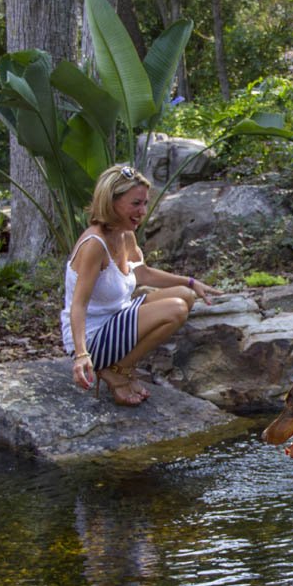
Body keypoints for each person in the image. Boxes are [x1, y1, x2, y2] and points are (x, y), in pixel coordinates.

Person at [61, 165, 221, 406]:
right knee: (176, 309)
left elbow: (143, 274)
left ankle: (119, 366)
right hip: (93, 337)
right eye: (136, 204)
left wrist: (190, 281)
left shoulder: (125, 233)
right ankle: (118, 371)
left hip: (116, 318)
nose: (143, 211)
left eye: (145, 203)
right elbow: (78, 305)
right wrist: (81, 355)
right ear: (111, 201)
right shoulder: (94, 244)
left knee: (185, 295)